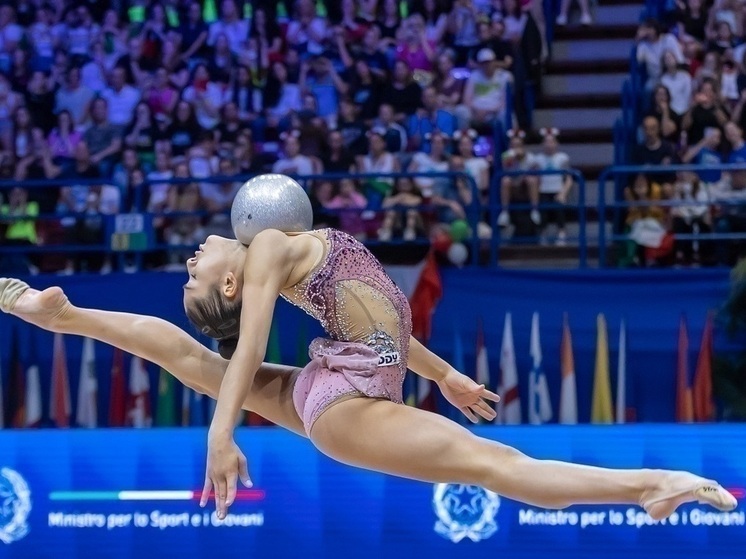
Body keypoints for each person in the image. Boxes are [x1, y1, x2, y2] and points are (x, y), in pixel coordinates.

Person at [0, 231, 736, 521]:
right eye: (196, 274)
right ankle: (649, 484)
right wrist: (220, 437)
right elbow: (249, 346)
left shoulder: (279, 248)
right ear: (230, 285)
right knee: (497, 465)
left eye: (189, 267)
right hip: (346, 401)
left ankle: (68, 316)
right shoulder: (265, 256)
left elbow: (380, 323)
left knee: (198, 366)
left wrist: (443, 373)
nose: (190, 258)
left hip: (349, 379)